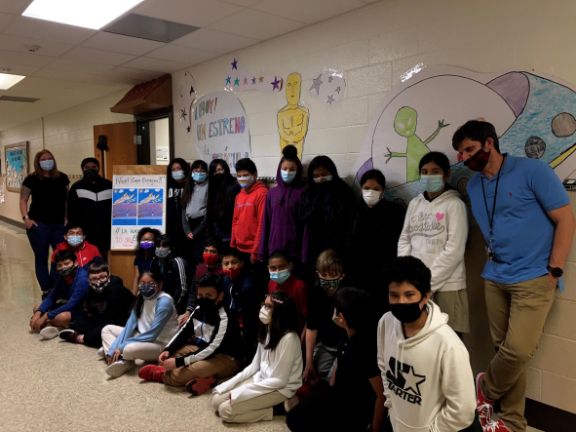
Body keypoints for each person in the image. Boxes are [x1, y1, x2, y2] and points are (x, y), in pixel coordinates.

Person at [452, 120, 575, 432]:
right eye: (460, 153)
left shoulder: (533, 171)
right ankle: (513, 423)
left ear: (489, 143)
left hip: (534, 277)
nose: (464, 157)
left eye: (469, 149)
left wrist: (555, 269)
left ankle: (485, 392)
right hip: (495, 277)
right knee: (505, 352)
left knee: (518, 349)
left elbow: (565, 219)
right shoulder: (476, 185)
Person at [377, 256, 479, 432]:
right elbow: (383, 365)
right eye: (394, 295)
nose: (401, 302)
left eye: (409, 295)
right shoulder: (386, 323)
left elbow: (463, 410)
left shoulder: (449, 345)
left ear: (425, 297)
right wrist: (390, 403)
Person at [286, 287, 385, 432]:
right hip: (337, 396)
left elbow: (381, 395)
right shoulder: (346, 335)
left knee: (300, 420)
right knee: (294, 416)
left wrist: (374, 429)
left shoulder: (365, 348)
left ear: (341, 317)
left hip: (354, 410)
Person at [397, 152, 469, 335]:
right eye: (425, 171)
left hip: (447, 286)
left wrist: (427, 283)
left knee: (448, 340)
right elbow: (405, 239)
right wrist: (407, 275)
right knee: (420, 339)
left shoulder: (454, 205)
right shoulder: (415, 204)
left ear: (446, 174)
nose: (429, 176)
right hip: (415, 286)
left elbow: (454, 249)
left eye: (435, 171)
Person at [138, 274, 242, 394]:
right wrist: (168, 349)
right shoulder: (198, 310)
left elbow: (212, 348)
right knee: (169, 359)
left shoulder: (225, 318)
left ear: (220, 296)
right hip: (201, 348)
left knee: (181, 373)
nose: (203, 299)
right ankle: (207, 379)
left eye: (209, 296)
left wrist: (179, 362)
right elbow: (183, 332)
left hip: (226, 357)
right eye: (200, 295)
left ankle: (162, 375)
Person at [211, 291, 303, 424]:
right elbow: (255, 366)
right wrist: (230, 383)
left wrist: (242, 391)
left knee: (225, 411)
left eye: (269, 306)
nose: (263, 309)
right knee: (216, 401)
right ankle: (270, 405)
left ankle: (278, 409)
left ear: (280, 311)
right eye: (263, 305)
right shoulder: (267, 330)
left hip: (280, 389)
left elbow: (279, 381)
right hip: (262, 381)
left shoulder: (289, 338)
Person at [101, 271, 179, 378]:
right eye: (142, 283)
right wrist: (113, 349)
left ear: (160, 285)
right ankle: (119, 358)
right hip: (142, 337)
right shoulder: (141, 298)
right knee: (107, 329)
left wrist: (122, 346)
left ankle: (123, 359)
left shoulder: (164, 301)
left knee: (128, 348)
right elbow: (129, 327)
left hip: (161, 344)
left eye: (151, 283)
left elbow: (152, 334)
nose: (146, 287)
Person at [350, 169, 405, 311]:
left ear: (383, 190)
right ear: (361, 189)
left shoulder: (395, 211)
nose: (370, 192)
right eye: (366, 188)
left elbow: (400, 243)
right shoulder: (352, 211)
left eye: (376, 189)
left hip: (385, 275)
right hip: (358, 274)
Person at [20, 149, 70, 294]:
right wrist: (26, 219)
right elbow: (23, 200)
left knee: (60, 257)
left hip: (59, 224)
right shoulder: (32, 179)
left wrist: (67, 217)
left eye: (49, 158)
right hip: (38, 224)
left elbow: (66, 200)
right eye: (43, 159)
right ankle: (46, 289)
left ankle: (55, 288)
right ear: (38, 162)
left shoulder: (62, 178)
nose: (47, 161)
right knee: (41, 258)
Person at [58, 258, 133, 348]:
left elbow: (114, 321)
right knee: (81, 320)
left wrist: (88, 336)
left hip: (124, 323)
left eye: (102, 277)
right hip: (103, 319)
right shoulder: (90, 290)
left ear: (108, 274)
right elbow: (90, 313)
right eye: (94, 278)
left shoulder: (117, 291)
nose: (98, 282)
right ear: (88, 279)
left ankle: (79, 338)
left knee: (105, 331)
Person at [299, 155, 355, 270]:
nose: (320, 179)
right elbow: (304, 217)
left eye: (324, 174)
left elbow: (348, 221)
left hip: (338, 248)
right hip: (314, 247)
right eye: (316, 176)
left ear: (332, 173)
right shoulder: (308, 193)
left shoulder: (343, 191)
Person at [303, 249, 347, 385]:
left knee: (336, 380)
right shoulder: (315, 293)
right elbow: (312, 326)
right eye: (324, 274)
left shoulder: (348, 295)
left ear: (342, 276)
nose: (328, 278)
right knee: (311, 377)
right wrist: (309, 361)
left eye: (333, 275)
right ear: (318, 274)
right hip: (326, 344)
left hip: (345, 346)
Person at [259, 144, 307, 264]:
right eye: (284, 169)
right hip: (274, 249)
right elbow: (266, 222)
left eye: (292, 169)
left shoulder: (303, 193)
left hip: (294, 251)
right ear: (279, 170)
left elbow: (305, 227)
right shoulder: (272, 193)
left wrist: (304, 255)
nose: (287, 172)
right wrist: (262, 250)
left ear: (298, 171)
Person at [29, 249, 90, 340]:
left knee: (61, 317)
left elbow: (72, 304)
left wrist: (46, 316)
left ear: (76, 263)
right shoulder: (62, 277)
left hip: (83, 310)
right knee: (37, 307)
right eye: (59, 265)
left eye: (66, 264)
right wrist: (38, 313)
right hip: (68, 304)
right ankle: (53, 325)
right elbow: (52, 297)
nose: (63, 268)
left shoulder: (83, 279)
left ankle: (57, 326)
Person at [221, 247, 263, 364]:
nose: (230, 266)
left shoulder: (248, 284)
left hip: (245, 323)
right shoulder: (224, 280)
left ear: (242, 263)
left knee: (248, 348)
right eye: (226, 263)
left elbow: (250, 312)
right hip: (229, 320)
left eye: (234, 262)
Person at [67, 157, 112, 258]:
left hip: (105, 232)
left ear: (98, 168)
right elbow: (71, 211)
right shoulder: (77, 187)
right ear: (82, 169)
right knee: (85, 259)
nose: (90, 169)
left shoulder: (109, 185)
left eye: (93, 167)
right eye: (87, 167)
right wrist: (74, 230)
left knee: (102, 260)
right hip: (85, 231)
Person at [230, 158, 268, 264]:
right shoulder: (239, 195)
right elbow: (235, 220)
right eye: (239, 176)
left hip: (253, 250)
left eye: (245, 175)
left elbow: (262, 224)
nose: (242, 178)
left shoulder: (262, 194)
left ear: (254, 175)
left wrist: (256, 251)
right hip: (239, 248)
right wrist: (233, 244)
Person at [182, 238, 224, 324]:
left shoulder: (223, 272)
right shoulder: (199, 269)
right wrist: (187, 313)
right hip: (198, 310)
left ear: (219, 255)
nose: (208, 254)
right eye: (206, 250)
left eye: (212, 251)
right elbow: (193, 293)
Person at [267, 251, 307, 334]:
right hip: (277, 330)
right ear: (268, 268)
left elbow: (306, 317)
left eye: (281, 267)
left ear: (290, 266)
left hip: (294, 332)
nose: (277, 271)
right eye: (273, 268)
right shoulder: (271, 283)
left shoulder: (299, 286)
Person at [150, 235, 188, 314]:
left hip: (176, 304)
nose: (160, 248)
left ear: (170, 248)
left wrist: (170, 305)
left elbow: (182, 289)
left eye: (164, 246)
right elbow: (152, 282)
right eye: (158, 245)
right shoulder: (154, 261)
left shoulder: (177, 262)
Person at [206, 159, 240, 246]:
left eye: (220, 169)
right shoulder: (211, 186)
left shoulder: (234, 185)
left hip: (229, 229)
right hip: (215, 229)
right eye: (215, 171)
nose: (218, 173)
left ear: (226, 169)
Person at [181, 159, 209, 267]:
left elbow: (208, 212)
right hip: (188, 226)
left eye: (202, 170)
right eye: (196, 169)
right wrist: (187, 230)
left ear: (206, 173)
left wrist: (196, 231)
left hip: (202, 226)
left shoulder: (209, 187)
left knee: (199, 257)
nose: (199, 172)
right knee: (189, 258)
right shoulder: (188, 185)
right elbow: (183, 209)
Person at [166, 158, 190, 257]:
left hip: (187, 227)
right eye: (173, 169)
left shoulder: (190, 185)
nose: (176, 171)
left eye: (178, 168)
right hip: (170, 227)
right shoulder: (166, 184)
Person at [131, 227, 161, 296]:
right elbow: (137, 276)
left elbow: (160, 279)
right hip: (142, 287)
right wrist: (134, 293)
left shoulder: (158, 258)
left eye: (149, 239)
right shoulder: (138, 257)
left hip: (155, 289)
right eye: (144, 239)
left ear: (155, 242)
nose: (146, 241)